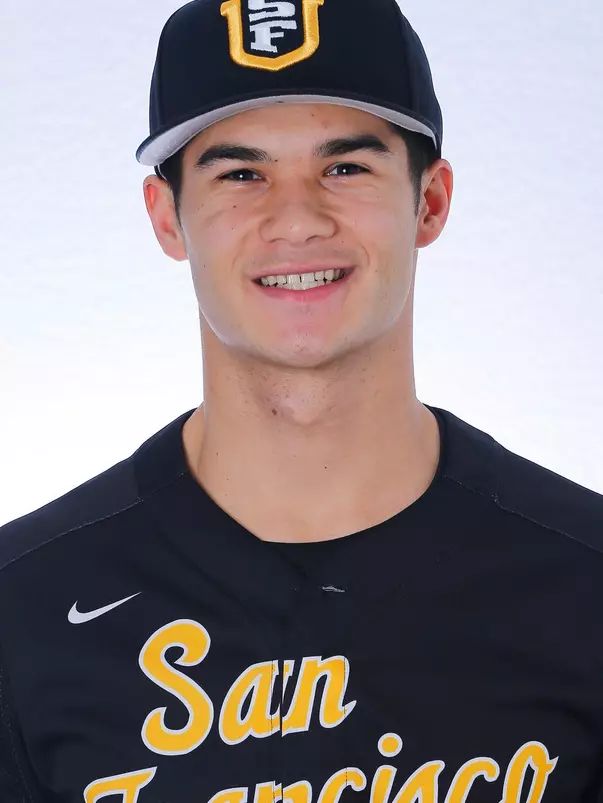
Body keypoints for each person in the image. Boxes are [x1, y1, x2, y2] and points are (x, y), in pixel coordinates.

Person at [1, 0, 602, 800]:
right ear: (166, 216)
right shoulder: (24, 610)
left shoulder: (582, 584)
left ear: (429, 202)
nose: (295, 219)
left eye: (345, 167)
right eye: (240, 173)